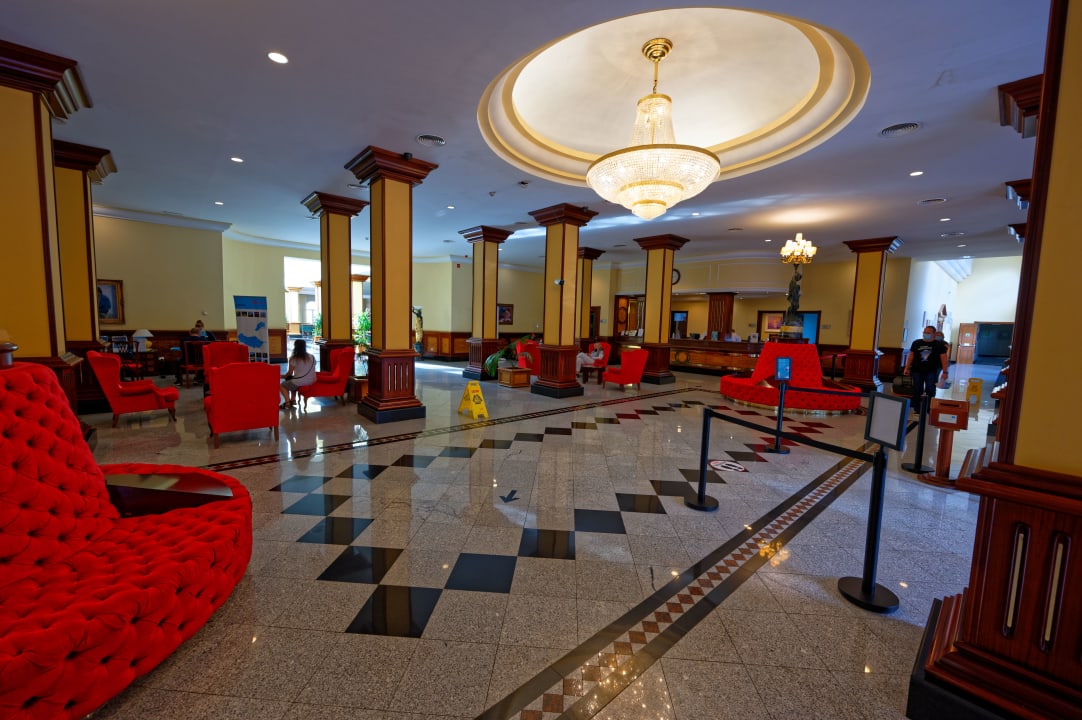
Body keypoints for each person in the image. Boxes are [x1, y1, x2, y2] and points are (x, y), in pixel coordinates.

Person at [903, 325, 949, 413]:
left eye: (928, 333)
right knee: (917, 389)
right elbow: (911, 356)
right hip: (917, 370)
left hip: (931, 371)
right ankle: (917, 408)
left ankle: (929, 408)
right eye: (924, 332)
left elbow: (944, 358)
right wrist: (907, 368)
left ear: (933, 334)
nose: (925, 334)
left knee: (930, 389)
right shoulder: (916, 343)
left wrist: (945, 372)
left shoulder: (939, 345)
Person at [279, 339, 317, 408]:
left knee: (282, 385)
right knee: (292, 379)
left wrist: (281, 376)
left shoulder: (293, 358)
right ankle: (293, 400)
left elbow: (289, 373)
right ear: (305, 346)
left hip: (300, 381)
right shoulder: (312, 357)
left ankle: (287, 402)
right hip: (312, 380)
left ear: (295, 347)